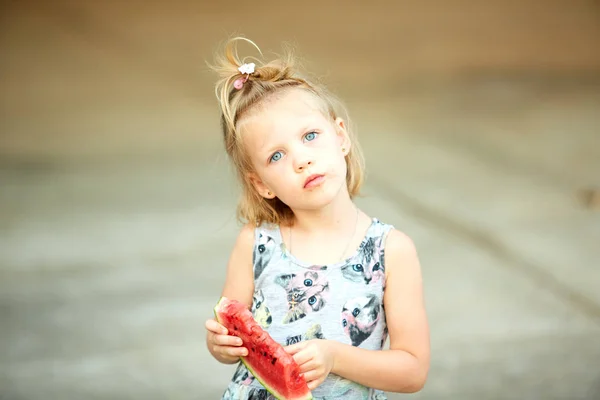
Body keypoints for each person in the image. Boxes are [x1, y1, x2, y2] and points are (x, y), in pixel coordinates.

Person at [204, 36, 430, 400]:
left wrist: (335, 356)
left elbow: (413, 369)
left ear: (340, 137)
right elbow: (231, 335)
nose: (301, 159)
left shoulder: (391, 251)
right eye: (276, 156)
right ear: (261, 184)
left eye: (310, 136)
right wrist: (219, 346)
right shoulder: (256, 242)